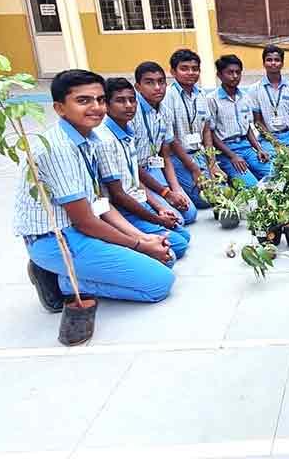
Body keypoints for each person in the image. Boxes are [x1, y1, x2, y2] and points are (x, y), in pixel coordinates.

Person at [15, 69, 174, 311]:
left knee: (166, 256)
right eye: (83, 100)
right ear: (59, 108)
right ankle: (62, 282)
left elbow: (101, 202)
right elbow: (85, 222)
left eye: (100, 99)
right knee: (159, 283)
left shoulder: (87, 139)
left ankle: (72, 274)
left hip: (80, 229)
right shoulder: (59, 148)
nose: (96, 107)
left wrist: (142, 237)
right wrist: (140, 246)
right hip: (56, 238)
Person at [96, 78, 190, 262]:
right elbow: (119, 195)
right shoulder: (105, 141)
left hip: (138, 200)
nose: (129, 105)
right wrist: (157, 220)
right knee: (174, 250)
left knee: (183, 235)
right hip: (123, 209)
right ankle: (124, 243)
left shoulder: (127, 132)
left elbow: (134, 179)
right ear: (106, 104)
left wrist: (159, 207)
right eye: (120, 101)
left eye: (132, 100)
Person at [132, 61, 197, 225]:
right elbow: (130, 164)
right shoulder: (131, 113)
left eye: (161, 82)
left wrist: (176, 189)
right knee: (178, 221)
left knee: (190, 214)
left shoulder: (165, 112)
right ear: (138, 86)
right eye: (149, 82)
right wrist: (166, 193)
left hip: (154, 167)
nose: (157, 87)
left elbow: (165, 156)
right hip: (135, 172)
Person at [164, 49, 222, 209]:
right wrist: (195, 170)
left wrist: (212, 163)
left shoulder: (201, 94)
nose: (191, 73)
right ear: (173, 71)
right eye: (184, 68)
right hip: (178, 158)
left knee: (223, 191)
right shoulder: (168, 96)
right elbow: (171, 138)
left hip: (199, 154)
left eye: (195, 69)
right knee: (205, 199)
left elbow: (206, 131)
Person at [207, 54, 271, 188]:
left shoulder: (245, 96)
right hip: (227, 150)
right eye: (230, 72)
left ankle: (244, 173)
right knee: (252, 187)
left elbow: (247, 128)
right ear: (219, 75)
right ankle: (232, 177)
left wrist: (259, 149)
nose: (235, 76)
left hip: (246, 147)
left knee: (274, 174)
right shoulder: (212, 99)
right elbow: (211, 135)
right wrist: (232, 156)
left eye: (238, 72)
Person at [251, 44, 289, 152]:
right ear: (264, 63)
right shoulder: (255, 89)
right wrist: (274, 143)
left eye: (277, 60)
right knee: (272, 163)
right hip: (268, 138)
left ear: (282, 63)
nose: (273, 63)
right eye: (269, 60)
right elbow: (257, 121)